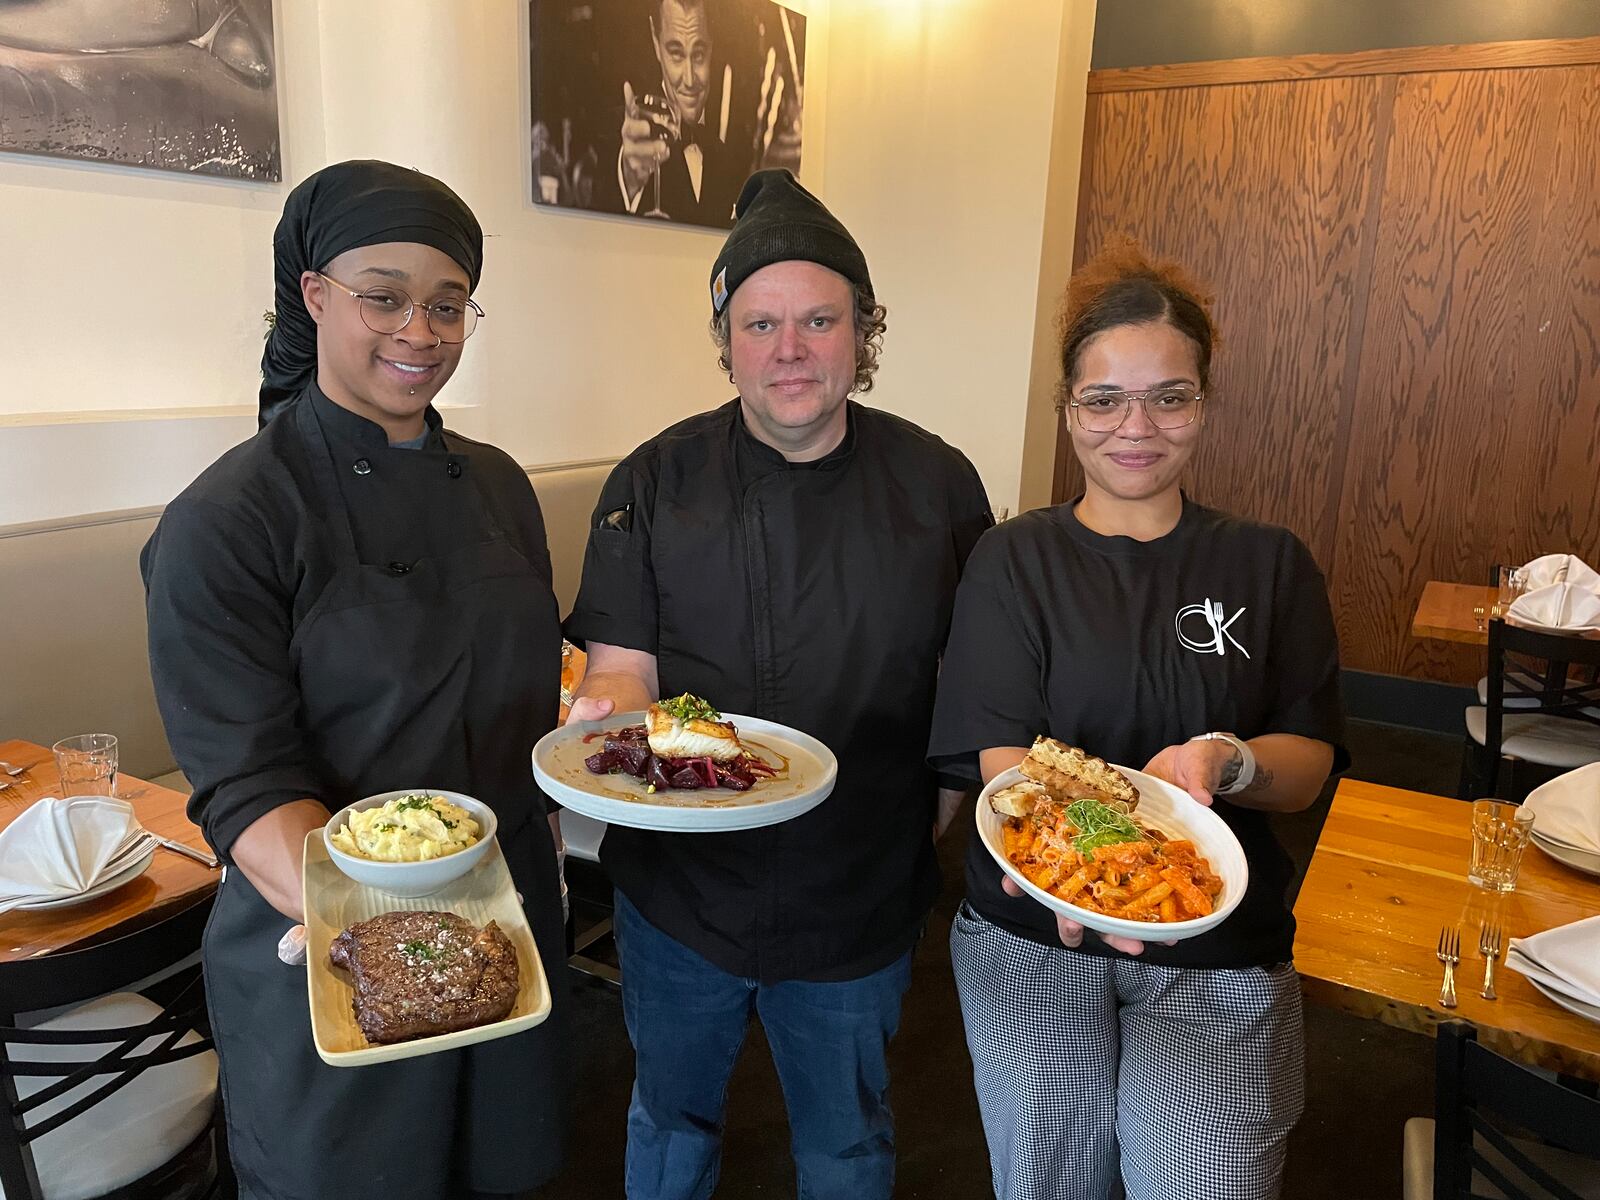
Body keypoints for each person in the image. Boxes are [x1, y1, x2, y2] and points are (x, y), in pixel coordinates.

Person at [141, 159, 568, 1200]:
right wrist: (394, 943)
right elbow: (244, 781)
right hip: (329, 946)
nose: (419, 332)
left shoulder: (503, 487)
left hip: (509, 926)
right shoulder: (230, 520)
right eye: (384, 297)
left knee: (504, 1174)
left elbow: (526, 681)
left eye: (447, 304)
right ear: (315, 294)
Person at [563, 168, 992, 1199]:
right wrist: (590, 733)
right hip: (679, 897)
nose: (788, 351)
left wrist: (938, 800)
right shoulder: (653, 481)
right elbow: (622, 671)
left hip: (857, 890)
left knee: (846, 1141)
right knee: (671, 1121)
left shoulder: (938, 485)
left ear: (863, 332)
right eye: (759, 324)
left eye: (817, 320)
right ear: (725, 340)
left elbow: (969, 674)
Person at [928, 236, 1347, 1200]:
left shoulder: (1269, 564)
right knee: (1047, 1182)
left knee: (1204, 1182)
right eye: (1104, 398)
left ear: (1206, 400)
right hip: (1033, 929)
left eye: (1171, 395)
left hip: (1217, 936)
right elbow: (1005, 768)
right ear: (1067, 407)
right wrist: (1103, 881)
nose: (1137, 427)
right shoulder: (1013, 560)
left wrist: (1227, 759)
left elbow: (1308, 761)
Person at [614, 0, 743, 225]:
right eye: (675, 53)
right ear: (656, 44)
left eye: (699, 54)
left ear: (712, 48)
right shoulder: (631, 139)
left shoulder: (734, 158)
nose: (690, 79)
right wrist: (630, 181)